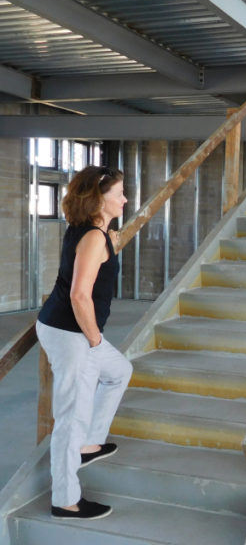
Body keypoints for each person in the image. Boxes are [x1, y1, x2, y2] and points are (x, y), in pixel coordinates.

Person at [36, 165, 133, 520]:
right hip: (72, 332)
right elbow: (80, 295)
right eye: (119, 193)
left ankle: (89, 443)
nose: (125, 199)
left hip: (70, 328)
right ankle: (65, 500)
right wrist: (94, 340)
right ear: (98, 198)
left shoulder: (89, 229)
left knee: (119, 370)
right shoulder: (93, 237)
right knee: (70, 416)